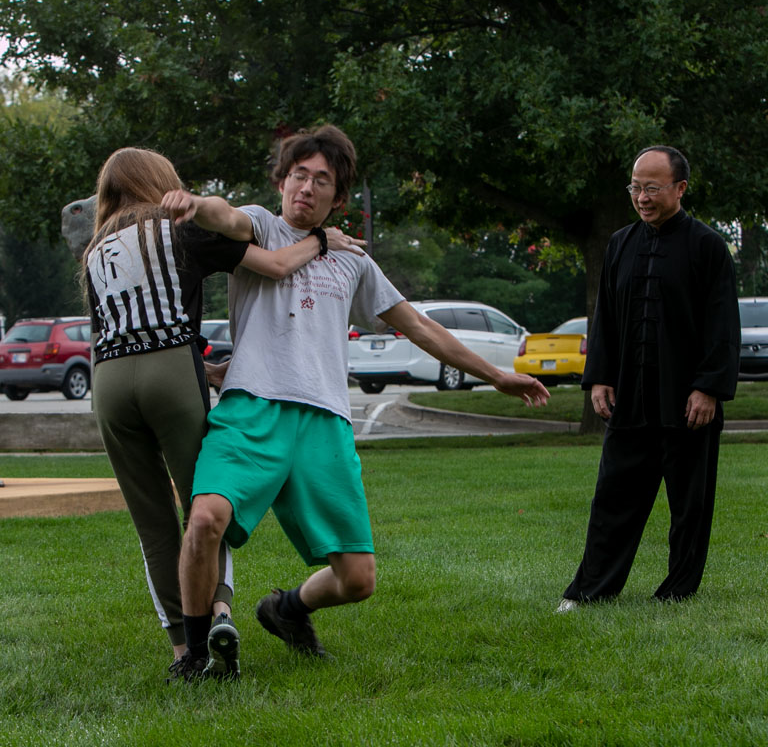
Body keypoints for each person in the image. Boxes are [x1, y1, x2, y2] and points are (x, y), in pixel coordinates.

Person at [161, 124, 551, 680]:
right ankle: (197, 656)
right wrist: (194, 202)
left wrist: (497, 375)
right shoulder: (265, 227)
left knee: (358, 579)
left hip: (325, 422)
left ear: (338, 198)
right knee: (205, 520)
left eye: (322, 181)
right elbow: (223, 216)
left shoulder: (354, 263)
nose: (307, 188)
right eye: (299, 175)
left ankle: (287, 609)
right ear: (282, 181)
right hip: (252, 408)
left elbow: (419, 327)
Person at [83, 147, 365, 676]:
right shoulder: (177, 228)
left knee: (153, 525)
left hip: (110, 382)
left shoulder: (96, 247)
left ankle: (178, 650)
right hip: (171, 371)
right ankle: (218, 612)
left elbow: (117, 326)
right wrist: (322, 239)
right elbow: (278, 265)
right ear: (159, 181)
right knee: (206, 505)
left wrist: (209, 366)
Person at [557, 145, 740, 613]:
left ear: (680, 188)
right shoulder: (618, 244)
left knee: (689, 506)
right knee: (612, 499)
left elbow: (722, 325)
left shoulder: (708, 247)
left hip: (688, 401)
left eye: (652, 188)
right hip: (630, 401)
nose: (642, 197)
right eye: (636, 187)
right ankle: (590, 591)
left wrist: (709, 388)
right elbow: (607, 321)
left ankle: (678, 590)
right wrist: (598, 378)